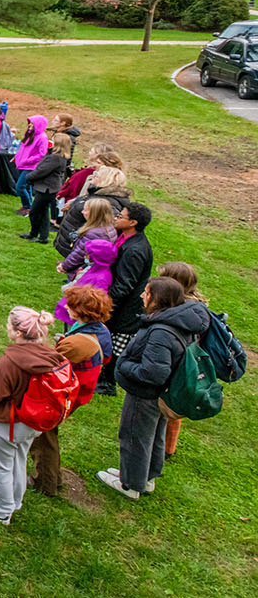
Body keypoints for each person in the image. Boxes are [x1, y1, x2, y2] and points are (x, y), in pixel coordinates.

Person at [97, 277, 208, 499]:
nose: (142, 296)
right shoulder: (178, 321)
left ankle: (130, 484)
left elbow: (154, 373)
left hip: (145, 394)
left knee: (134, 437)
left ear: (157, 299)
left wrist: (125, 366)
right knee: (154, 435)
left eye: (146, 293)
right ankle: (146, 478)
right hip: (160, 394)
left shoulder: (161, 331)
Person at [0, 307, 67, 525]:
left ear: (18, 333)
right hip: (32, 422)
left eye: (8, 325)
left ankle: (0, 510)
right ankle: (12, 500)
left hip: (6, 422)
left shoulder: (10, 363)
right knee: (16, 461)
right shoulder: (50, 356)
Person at [29, 285, 109, 497]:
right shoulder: (99, 331)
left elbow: (50, 364)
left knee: (43, 438)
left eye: (71, 305)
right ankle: (52, 478)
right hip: (77, 393)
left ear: (81, 311)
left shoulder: (78, 342)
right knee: (47, 435)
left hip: (61, 395)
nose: (66, 307)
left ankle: (45, 483)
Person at [154, 262, 209, 459]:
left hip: (180, 363)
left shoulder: (182, 309)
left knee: (170, 408)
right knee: (173, 409)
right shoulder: (196, 305)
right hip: (185, 362)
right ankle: (168, 448)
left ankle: (166, 449)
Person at [98, 203, 154, 396]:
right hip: (118, 302)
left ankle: (109, 382)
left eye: (120, 216)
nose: (116, 218)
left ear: (133, 222)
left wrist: (105, 306)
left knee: (116, 342)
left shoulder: (135, 251)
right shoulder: (126, 239)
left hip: (126, 308)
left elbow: (125, 285)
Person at [54, 166, 130, 258]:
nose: (93, 176)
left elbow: (105, 232)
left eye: (97, 175)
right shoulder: (95, 193)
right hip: (73, 242)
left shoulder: (107, 202)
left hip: (81, 248)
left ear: (106, 181)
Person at [54, 239, 117, 326]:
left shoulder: (101, 279)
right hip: (73, 309)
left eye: (88, 254)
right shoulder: (95, 269)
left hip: (79, 315)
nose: (85, 256)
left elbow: (93, 303)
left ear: (97, 257)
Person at [21, 137, 71, 243]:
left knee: (35, 212)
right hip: (49, 188)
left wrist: (29, 177)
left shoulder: (55, 158)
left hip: (47, 189)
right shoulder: (58, 157)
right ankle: (40, 235)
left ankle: (38, 234)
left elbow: (42, 170)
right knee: (43, 212)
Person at [57, 198, 117, 282]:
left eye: (85, 210)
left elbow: (79, 253)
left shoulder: (93, 233)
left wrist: (65, 266)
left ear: (94, 214)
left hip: (82, 270)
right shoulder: (109, 227)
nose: (82, 212)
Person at [57, 144, 122, 207]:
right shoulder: (91, 173)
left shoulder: (91, 173)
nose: (89, 153)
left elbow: (75, 186)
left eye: (91, 151)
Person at [12, 115, 50, 216]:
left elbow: (42, 154)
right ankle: (29, 206)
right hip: (22, 164)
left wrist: (28, 160)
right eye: (30, 123)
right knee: (26, 186)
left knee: (20, 187)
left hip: (30, 167)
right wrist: (17, 158)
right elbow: (23, 148)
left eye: (33, 124)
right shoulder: (29, 134)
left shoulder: (42, 138)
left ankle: (27, 207)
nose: (30, 125)